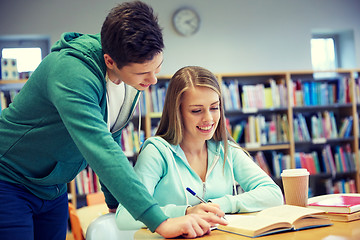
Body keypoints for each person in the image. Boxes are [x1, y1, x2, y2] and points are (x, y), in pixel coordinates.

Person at [0, 2, 227, 240]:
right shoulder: (70, 72)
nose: (152, 80)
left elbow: (113, 132)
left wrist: (114, 204)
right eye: (142, 73)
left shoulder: (130, 75)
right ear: (110, 61)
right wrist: (161, 221)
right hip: (9, 180)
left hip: (52, 188)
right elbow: (100, 148)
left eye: (157, 67)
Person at [115, 66, 284, 229]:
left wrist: (218, 205)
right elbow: (125, 216)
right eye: (197, 110)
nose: (209, 118)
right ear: (177, 112)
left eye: (214, 108)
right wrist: (186, 212)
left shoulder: (225, 149)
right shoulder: (157, 152)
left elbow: (273, 194)